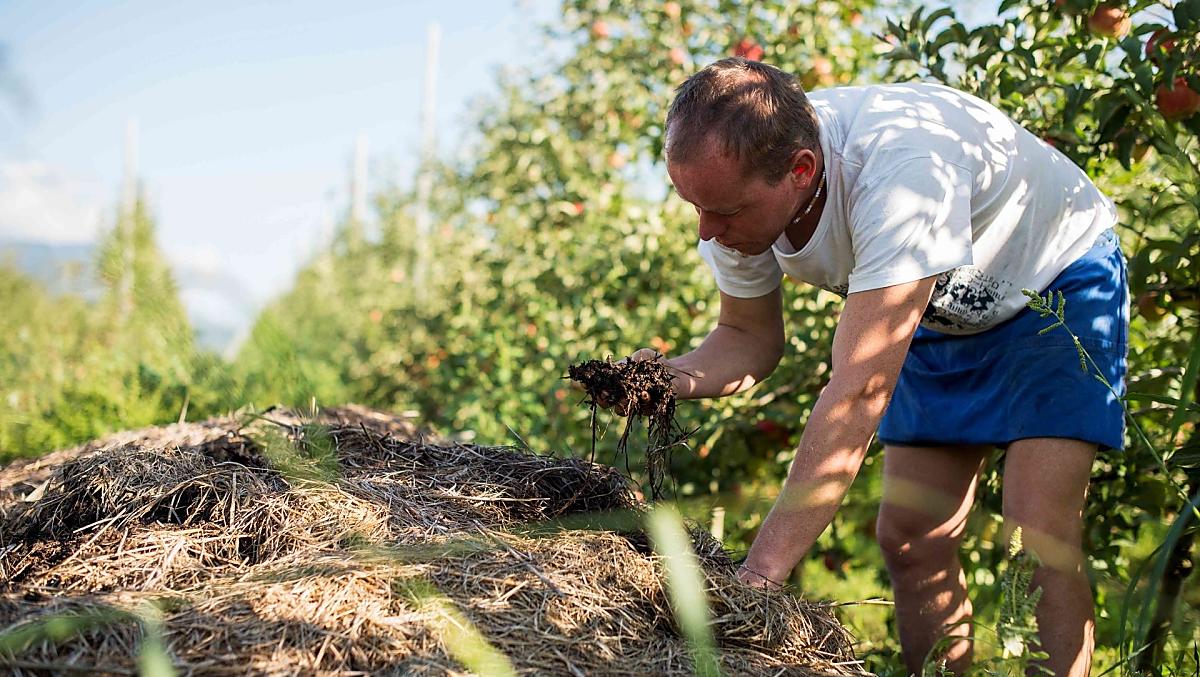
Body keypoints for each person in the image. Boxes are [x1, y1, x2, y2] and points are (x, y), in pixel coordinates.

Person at [629, 57, 1127, 676]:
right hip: (941, 312)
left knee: (1036, 537)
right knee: (912, 538)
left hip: (1053, 286)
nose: (706, 230)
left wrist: (756, 580)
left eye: (723, 212)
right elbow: (747, 339)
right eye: (694, 205)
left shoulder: (899, 171)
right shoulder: (735, 197)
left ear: (801, 170)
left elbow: (860, 389)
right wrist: (665, 379)